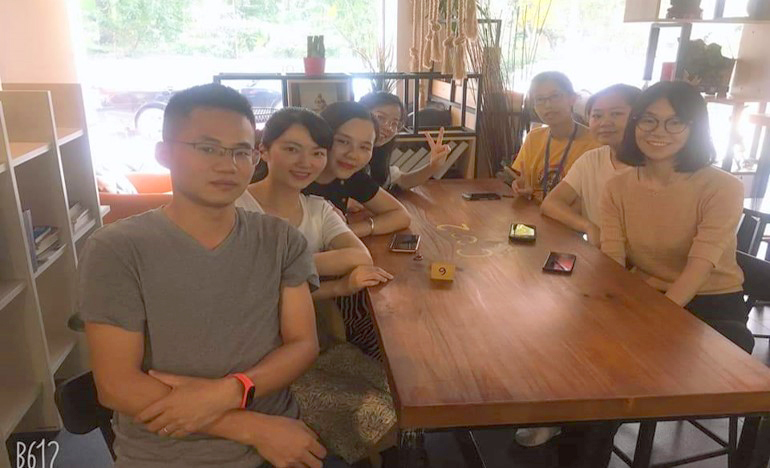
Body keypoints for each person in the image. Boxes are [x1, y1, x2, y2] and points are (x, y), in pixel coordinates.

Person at [79, 83, 350, 468]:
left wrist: (229, 392)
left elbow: (302, 344)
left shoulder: (280, 240)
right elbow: (116, 384)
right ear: (164, 154)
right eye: (207, 149)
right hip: (169, 453)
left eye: (241, 152)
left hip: (280, 443)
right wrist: (252, 428)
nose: (228, 165)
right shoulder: (117, 248)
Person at [236, 107, 397, 465]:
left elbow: (358, 256)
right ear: (263, 150)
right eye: (292, 149)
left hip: (315, 344)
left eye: (317, 152)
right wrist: (331, 286)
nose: (305, 162)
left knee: (400, 391)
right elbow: (250, 298)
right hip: (260, 360)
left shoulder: (318, 208)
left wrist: (279, 272)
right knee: (378, 414)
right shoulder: (237, 210)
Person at [601, 80, 753, 354]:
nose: (659, 131)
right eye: (648, 120)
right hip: (645, 292)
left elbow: (698, 269)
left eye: (675, 122)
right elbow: (612, 262)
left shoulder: (724, 187)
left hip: (710, 303)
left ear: (695, 129)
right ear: (635, 124)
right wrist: (612, 306)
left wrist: (653, 319)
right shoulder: (616, 187)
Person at [541, 84, 641, 246]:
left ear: (640, 117)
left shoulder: (654, 168)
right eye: (597, 115)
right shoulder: (591, 159)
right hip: (601, 254)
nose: (605, 122)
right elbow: (550, 203)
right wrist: (588, 227)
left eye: (616, 114)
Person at [304, 100, 411, 237]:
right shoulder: (296, 177)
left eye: (364, 147)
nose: (353, 155)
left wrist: (349, 231)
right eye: (343, 141)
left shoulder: (352, 177)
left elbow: (401, 215)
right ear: (321, 138)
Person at [510, 71, 601, 202]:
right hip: (534, 210)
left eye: (555, 96)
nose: (548, 105)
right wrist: (521, 186)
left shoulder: (597, 143)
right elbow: (524, 180)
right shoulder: (534, 138)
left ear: (572, 98)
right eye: (540, 99)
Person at [359, 91, 451, 190]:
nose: (388, 128)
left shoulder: (379, 154)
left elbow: (402, 180)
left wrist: (433, 166)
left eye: (394, 123)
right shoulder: (351, 156)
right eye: (380, 117)